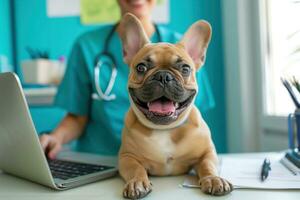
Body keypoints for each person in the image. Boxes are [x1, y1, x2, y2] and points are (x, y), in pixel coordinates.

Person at [39, 0, 215, 159]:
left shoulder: (185, 49)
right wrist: (55, 138)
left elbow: (194, 117)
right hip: (100, 160)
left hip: (165, 165)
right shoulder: (87, 46)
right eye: (142, 68)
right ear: (127, 52)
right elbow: (77, 117)